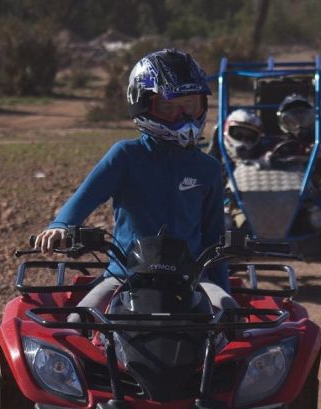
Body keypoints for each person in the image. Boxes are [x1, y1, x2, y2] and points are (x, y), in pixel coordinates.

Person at [33, 48, 235, 314]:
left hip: (192, 276)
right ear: (142, 103)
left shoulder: (207, 168)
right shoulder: (126, 156)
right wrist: (60, 226)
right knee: (78, 320)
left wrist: (224, 291)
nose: (183, 116)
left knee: (230, 315)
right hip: (125, 274)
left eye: (190, 106)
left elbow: (214, 241)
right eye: (168, 107)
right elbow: (85, 197)